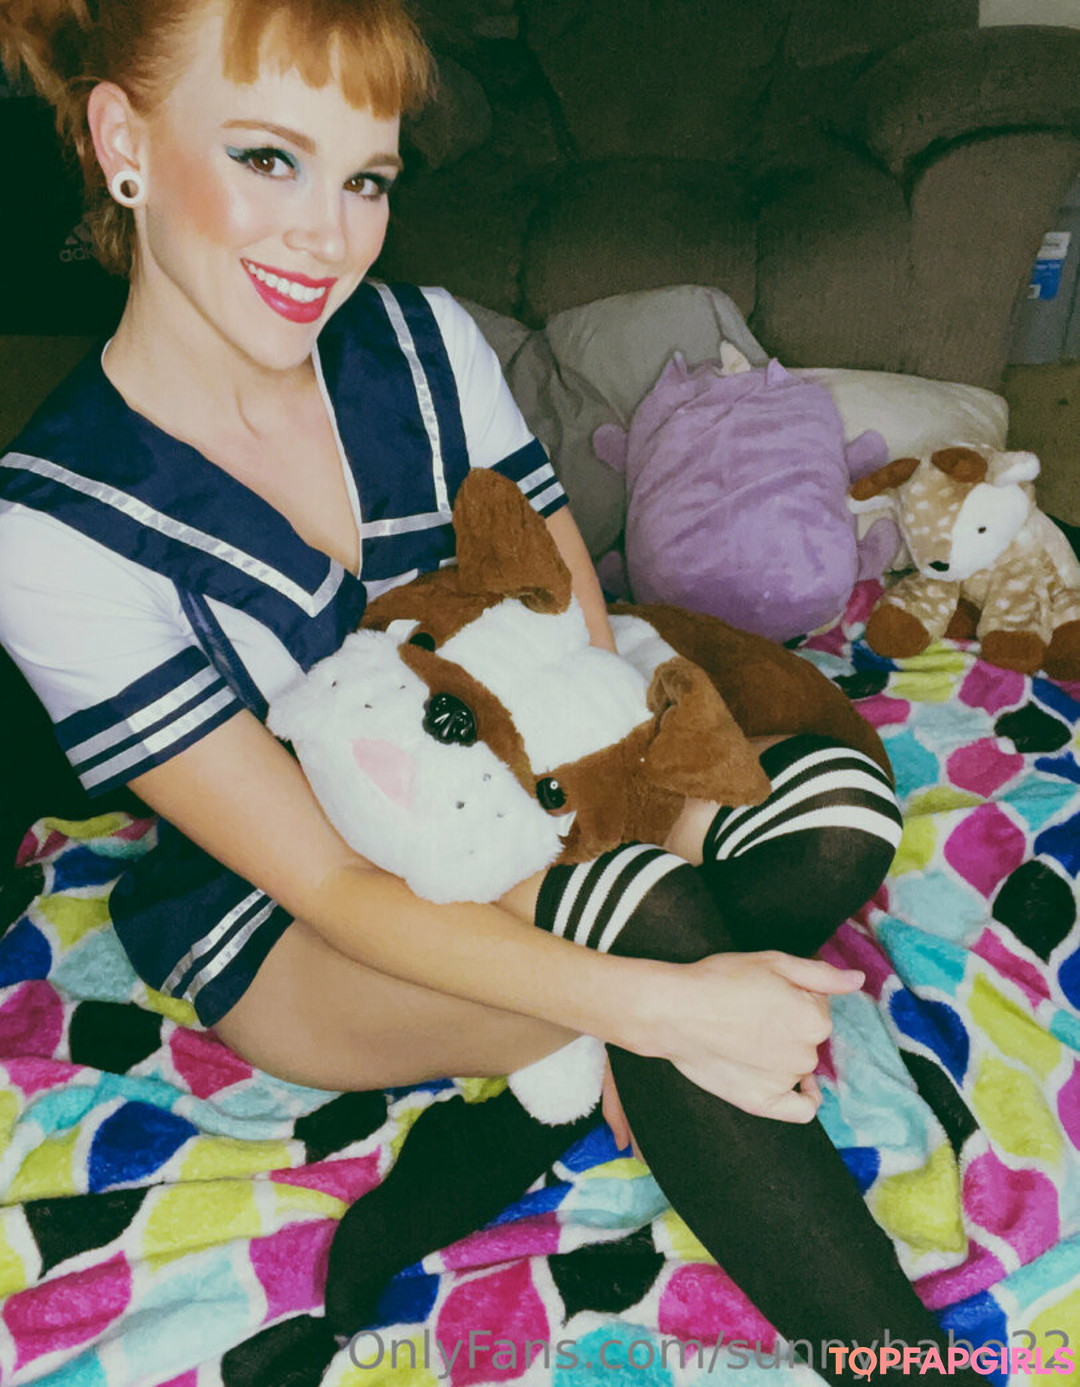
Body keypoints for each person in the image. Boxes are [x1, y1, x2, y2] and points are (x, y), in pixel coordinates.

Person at [0, 2, 982, 1379]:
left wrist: (620, 863)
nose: (328, 237)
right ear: (124, 142)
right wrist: (662, 1006)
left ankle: (547, 1090)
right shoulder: (51, 527)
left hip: (538, 794)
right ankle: (903, 1361)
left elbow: (576, 642)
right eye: (269, 158)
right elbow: (329, 881)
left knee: (836, 823)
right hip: (304, 924)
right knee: (654, 929)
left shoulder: (426, 343)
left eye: (366, 179)